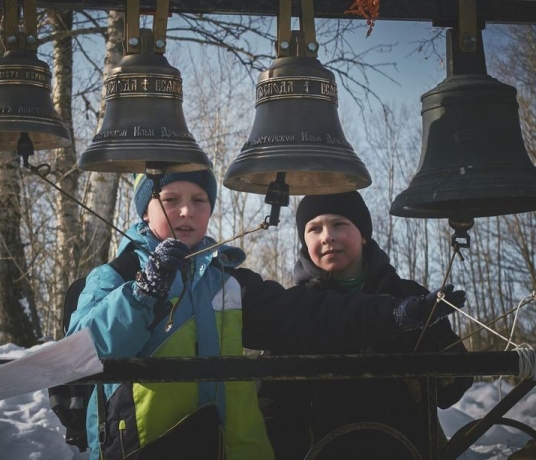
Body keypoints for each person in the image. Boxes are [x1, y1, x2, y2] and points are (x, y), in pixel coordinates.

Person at [67, 170, 467, 460]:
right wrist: (143, 293)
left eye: (199, 200)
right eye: (170, 200)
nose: (186, 211)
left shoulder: (230, 284)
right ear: (144, 211)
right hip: (146, 449)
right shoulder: (115, 277)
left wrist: (393, 313)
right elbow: (78, 356)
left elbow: (311, 316)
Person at [258, 191, 474, 460]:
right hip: (324, 451)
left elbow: (454, 387)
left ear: (363, 234)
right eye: (314, 229)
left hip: (408, 449)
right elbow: (274, 406)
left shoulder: (408, 296)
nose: (327, 236)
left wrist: (429, 348)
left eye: (339, 224)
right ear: (304, 240)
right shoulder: (297, 309)